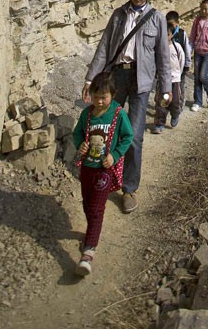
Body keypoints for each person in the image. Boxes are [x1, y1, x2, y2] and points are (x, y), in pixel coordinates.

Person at [82, 0, 171, 214]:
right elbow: (103, 48)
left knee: (134, 136)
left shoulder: (157, 19)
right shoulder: (119, 15)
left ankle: (129, 188)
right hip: (116, 78)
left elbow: (163, 57)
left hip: (141, 81)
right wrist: (90, 79)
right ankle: (103, 176)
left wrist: (165, 88)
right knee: (105, 128)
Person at [73, 71, 134, 275]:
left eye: (104, 97)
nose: (99, 101)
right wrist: (80, 145)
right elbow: (78, 133)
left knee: (97, 207)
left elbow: (127, 136)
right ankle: (92, 232)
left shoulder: (118, 114)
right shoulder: (87, 114)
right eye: (96, 96)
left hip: (105, 170)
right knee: (87, 202)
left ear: (113, 95)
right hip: (88, 167)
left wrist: (115, 155)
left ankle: (89, 251)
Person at [152, 24, 185, 133]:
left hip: (175, 80)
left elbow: (181, 60)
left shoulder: (177, 47)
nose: (165, 37)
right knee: (162, 102)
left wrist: (177, 74)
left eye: (168, 34)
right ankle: (160, 124)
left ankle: (175, 114)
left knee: (175, 101)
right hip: (163, 80)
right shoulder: (158, 48)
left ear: (172, 35)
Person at [165, 10, 192, 111]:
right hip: (168, 67)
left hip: (180, 66)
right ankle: (167, 105)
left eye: (171, 24)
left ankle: (179, 104)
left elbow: (186, 49)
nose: (169, 26)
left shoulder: (181, 34)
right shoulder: (165, 34)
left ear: (177, 23)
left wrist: (187, 64)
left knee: (179, 86)